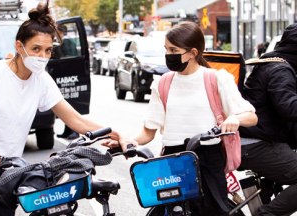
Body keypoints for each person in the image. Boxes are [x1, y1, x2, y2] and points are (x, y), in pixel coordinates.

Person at [0, 2, 121, 216]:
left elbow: (76, 120)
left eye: (48, 50)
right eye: (36, 49)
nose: (42, 56)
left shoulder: (42, 80)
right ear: (19, 46)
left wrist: (118, 136)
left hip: (7, 171)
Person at [104, 21, 257, 216]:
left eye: (173, 49)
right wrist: (129, 141)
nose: (168, 55)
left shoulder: (216, 79)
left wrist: (235, 119)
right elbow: (148, 131)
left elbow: (251, 116)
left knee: (212, 211)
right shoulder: (162, 83)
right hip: (171, 158)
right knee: (168, 211)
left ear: (193, 53)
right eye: (166, 49)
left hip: (207, 157)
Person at [238, 23, 297, 216]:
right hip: (255, 144)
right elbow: (289, 107)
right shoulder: (280, 70)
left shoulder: (271, 62)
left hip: (255, 140)